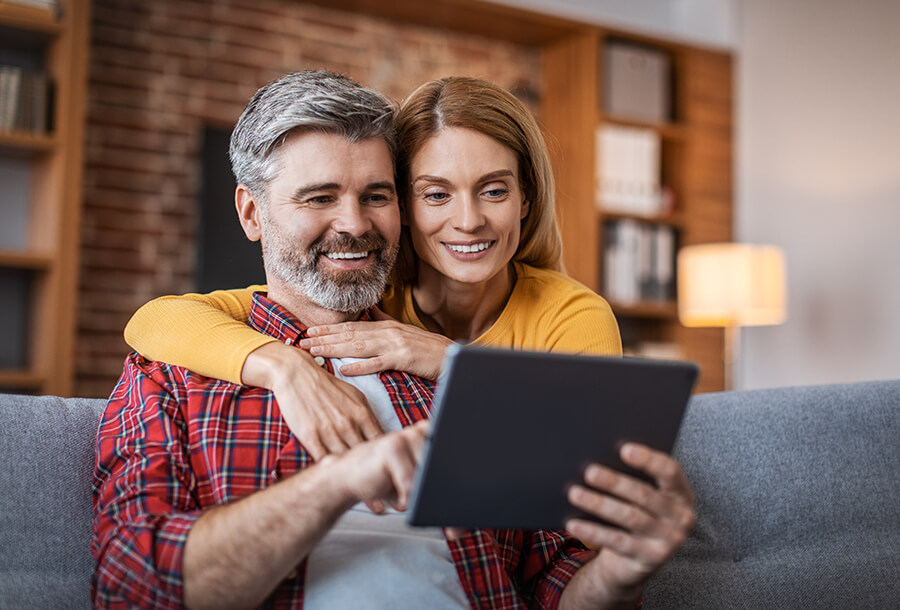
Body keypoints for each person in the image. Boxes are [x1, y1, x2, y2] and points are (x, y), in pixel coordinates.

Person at [92, 70, 695, 609]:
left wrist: (620, 572)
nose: (354, 224)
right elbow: (134, 584)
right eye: (320, 197)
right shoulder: (174, 369)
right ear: (252, 215)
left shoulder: (452, 378)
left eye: (375, 196)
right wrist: (333, 468)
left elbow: (556, 579)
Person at [124, 76, 623, 459]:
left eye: (494, 190)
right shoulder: (364, 288)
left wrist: (450, 362)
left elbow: (589, 454)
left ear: (526, 201)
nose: (469, 221)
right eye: (436, 194)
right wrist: (285, 368)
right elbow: (157, 319)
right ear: (403, 205)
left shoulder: (571, 315)